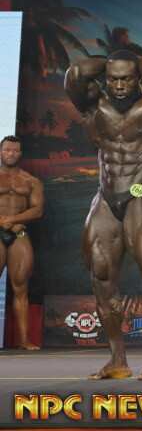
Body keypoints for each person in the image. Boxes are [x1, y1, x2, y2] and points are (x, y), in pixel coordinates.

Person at [64, 50, 142, 380]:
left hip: (139, 193)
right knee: (101, 278)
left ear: (138, 77)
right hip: (104, 197)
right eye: (112, 79)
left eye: (126, 78)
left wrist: (133, 62)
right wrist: (112, 61)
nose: (119, 85)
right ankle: (118, 360)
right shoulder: (93, 108)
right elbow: (74, 74)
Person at [0, 135, 44, 350]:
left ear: (20, 153)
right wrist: (5, 222)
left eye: (15, 151)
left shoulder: (30, 180)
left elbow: (37, 210)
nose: (11, 154)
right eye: (7, 150)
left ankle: (24, 341)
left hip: (18, 233)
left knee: (21, 286)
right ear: (1, 152)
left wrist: (14, 220)